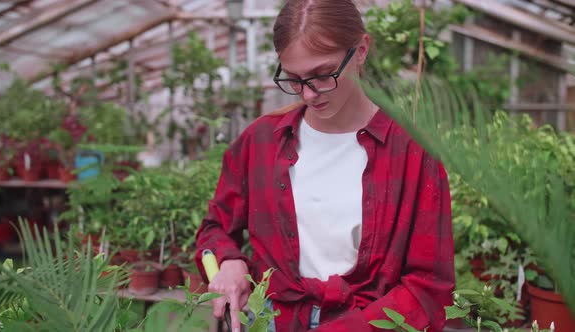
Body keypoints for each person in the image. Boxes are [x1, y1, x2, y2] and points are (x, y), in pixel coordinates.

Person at [194, 1, 455, 331]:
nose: (308, 94)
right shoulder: (261, 141)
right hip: (272, 320)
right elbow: (215, 227)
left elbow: (429, 287)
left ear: (360, 50)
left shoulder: (413, 154)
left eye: (322, 74)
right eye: (294, 78)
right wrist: (229, 262)